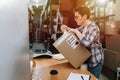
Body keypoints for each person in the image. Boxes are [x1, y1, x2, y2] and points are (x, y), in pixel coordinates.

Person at [61, 6, 104, 79]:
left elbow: (86, 42)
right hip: (86, 60)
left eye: (77, 17)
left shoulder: (94, 28)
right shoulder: (84, 27)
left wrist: (76, 31)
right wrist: (66, 29)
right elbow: (74, 32)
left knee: (93, 78)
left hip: (95, 61)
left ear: (84, 16)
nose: (75, 19)